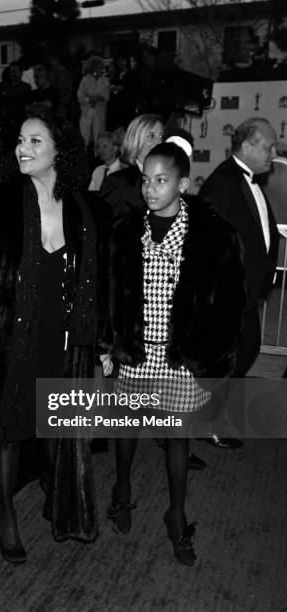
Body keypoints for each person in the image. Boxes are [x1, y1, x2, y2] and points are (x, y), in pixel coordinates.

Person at [0, 111, 110, 563]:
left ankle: (57, 489)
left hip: (63, 344)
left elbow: (100, 280)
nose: (22, 148)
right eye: (20, 140)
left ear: (59, 151)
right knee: (9, 430)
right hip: (8, 341)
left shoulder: (85, 210)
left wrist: (104, 342)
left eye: (35, 140)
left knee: (55, 427)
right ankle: (4, 511)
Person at [102, 141, 245, 566]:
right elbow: (112, 294)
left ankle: (176, 515)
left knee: (176, 437)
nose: (150, 189)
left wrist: (205, 353)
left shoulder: (212, 234)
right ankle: (122, 491)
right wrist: (110, 343)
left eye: (161, 180)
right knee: (128, 428)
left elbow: (229, 301)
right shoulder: (126, 231)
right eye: (145, 180)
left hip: (179, 360)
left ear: (183, 184)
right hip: (135, 354)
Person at [200, 117, 279, 448]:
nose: (273, 154)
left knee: (245, 351)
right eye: (269, 146)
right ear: (247, 146)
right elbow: (209, 245)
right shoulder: (223, 182)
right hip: (230, 297)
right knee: (232, 356)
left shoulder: (248, 181)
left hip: (247, 294)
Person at [100, 113, 164, 219]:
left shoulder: (167, 179)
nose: (159, 142)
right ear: (136, 140)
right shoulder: (118, 182)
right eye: (151, 136)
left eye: (161, 136)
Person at [0, 61, 31, 153]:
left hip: (19, 125)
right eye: (11, 71)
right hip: (5, 125)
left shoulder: (26, 87)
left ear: (21, 72)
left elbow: (27, 105)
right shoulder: (3, 86)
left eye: (15, 71)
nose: (13, 74)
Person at [77, 56, 110, 152]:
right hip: (86, 111)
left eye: (101, 67)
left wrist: (91, 97)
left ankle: (98, 156)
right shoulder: (85, 80)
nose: (100, 70)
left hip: (99, 111)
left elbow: (105, 98)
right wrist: (90, 99)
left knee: (99, 136)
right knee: (84, 135)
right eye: (98, 67)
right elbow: (80, 96)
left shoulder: (105, 81)